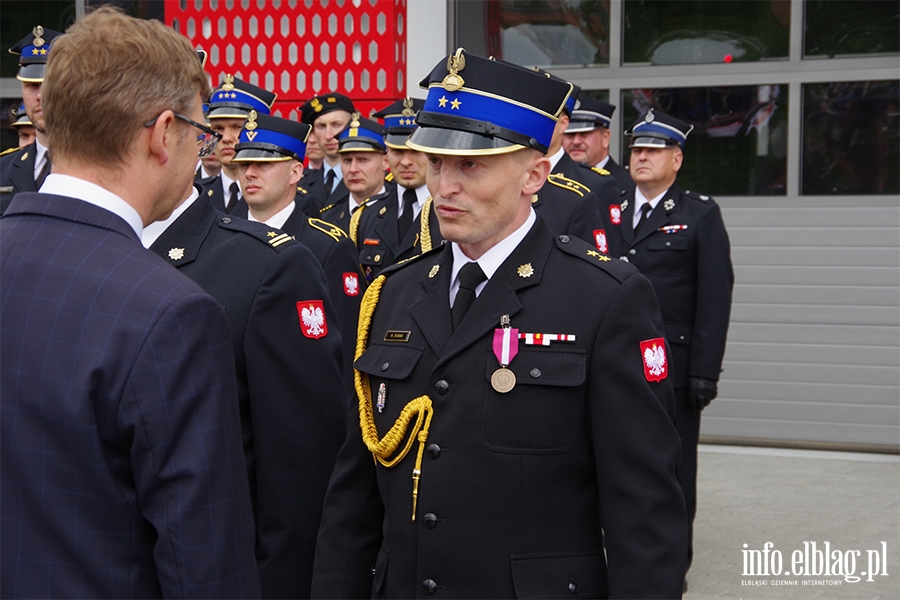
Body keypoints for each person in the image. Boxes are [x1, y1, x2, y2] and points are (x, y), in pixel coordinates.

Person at [312, 48, 688, 599]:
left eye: (471, 165)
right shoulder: (392, 292)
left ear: (535, 173)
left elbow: (645, 514)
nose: (445, 186)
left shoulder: (603, 299)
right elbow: (353, 498)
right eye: (437, 163)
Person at [0, 8, 260, 598]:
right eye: (201, 130)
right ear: (162, 133)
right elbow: (205, 567)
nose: (204, 147)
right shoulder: (171, 313)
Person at [607, 107, 735, 584]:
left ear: (676, 159)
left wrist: (705, 370)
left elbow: (715, 298)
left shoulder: (699, 214)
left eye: (652, 151)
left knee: (674, 468)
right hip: (613, 359)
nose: (640, 158)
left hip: (673, 365)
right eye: (636, 150)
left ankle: (670, 564)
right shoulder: (608, 203)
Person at [228, 110, 363, 393]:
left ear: (295, 172)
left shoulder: (327, 247)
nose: (249, 172)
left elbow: (347, 349)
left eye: (263, 163)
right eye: (244, 164)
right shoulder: (223, 238)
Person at [355, 97, 443, 282]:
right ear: (386, 154)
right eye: (398, 151)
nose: (405, 162)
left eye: (415, 152)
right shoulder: (366, 216)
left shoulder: (452, 211)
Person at [0, 25, 63, 214]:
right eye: (32, 86)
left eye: (49, 85)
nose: (40, 97)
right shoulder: (3, 169)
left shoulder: (106, 166)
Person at [200, 74, 276, 213]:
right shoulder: (196, 195)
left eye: (237, 127)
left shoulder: (282, 196)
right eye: (218, 128)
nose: (226, 138)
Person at [319, 113, 393, 236]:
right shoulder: (327, 218)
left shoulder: (397, 213)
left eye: (363, 160)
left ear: (385, 162)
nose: (353, 169)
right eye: (347, 160)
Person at [299, 92, 355, 212]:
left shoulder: (374, 181)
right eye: (321, 126)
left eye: (337, 125)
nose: (329, 135)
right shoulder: (300, 183)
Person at [563, 96, 634, 191]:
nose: (576, 141)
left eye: (585, 134)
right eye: (570, 134)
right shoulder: (551, 180)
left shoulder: (629, 184)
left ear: (605, 137)